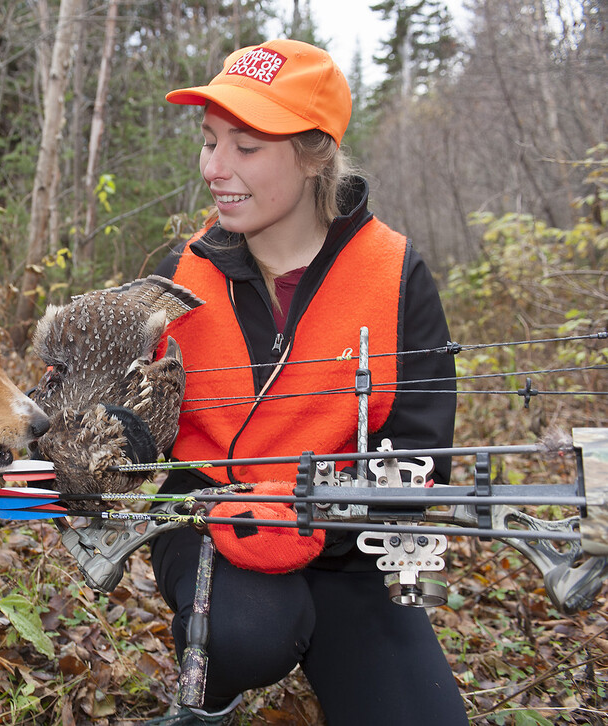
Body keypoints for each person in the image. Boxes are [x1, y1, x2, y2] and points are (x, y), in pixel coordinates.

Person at [145, 39, 469, 725]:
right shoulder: (180, 270)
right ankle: (210, 698)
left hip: (350, 544)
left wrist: (319, 517)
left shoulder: (395, 272)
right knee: (246, 633)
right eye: (209, 142)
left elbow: (420, 455)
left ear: (315, 152)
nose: (214, 168)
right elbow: (135, 414)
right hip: (209, 520)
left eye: (246, 147)